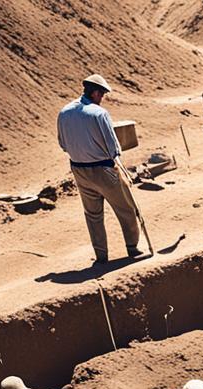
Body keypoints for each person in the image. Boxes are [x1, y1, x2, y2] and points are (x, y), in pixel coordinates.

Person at [57, 74, 144, 263]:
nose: (102, 98)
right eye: (102, 94)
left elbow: (63, 144)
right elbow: (113, 148)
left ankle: (101, 256)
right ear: (95, 93)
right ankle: (133, 248)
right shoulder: (98, 113)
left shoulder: (64, 112)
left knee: (93, 215)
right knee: (126, 209)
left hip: (79, 170)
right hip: (104, 169)